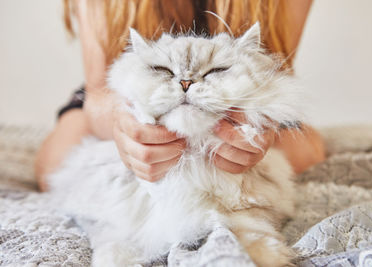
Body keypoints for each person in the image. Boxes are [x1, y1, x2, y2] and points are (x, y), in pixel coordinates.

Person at [35, 0, 325, 192]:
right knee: (56, 163)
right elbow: (100, 90)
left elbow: (274, 75)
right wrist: (125, 125)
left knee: (304, 154)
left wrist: (260, 132)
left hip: (234, 95)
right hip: (133, 95)